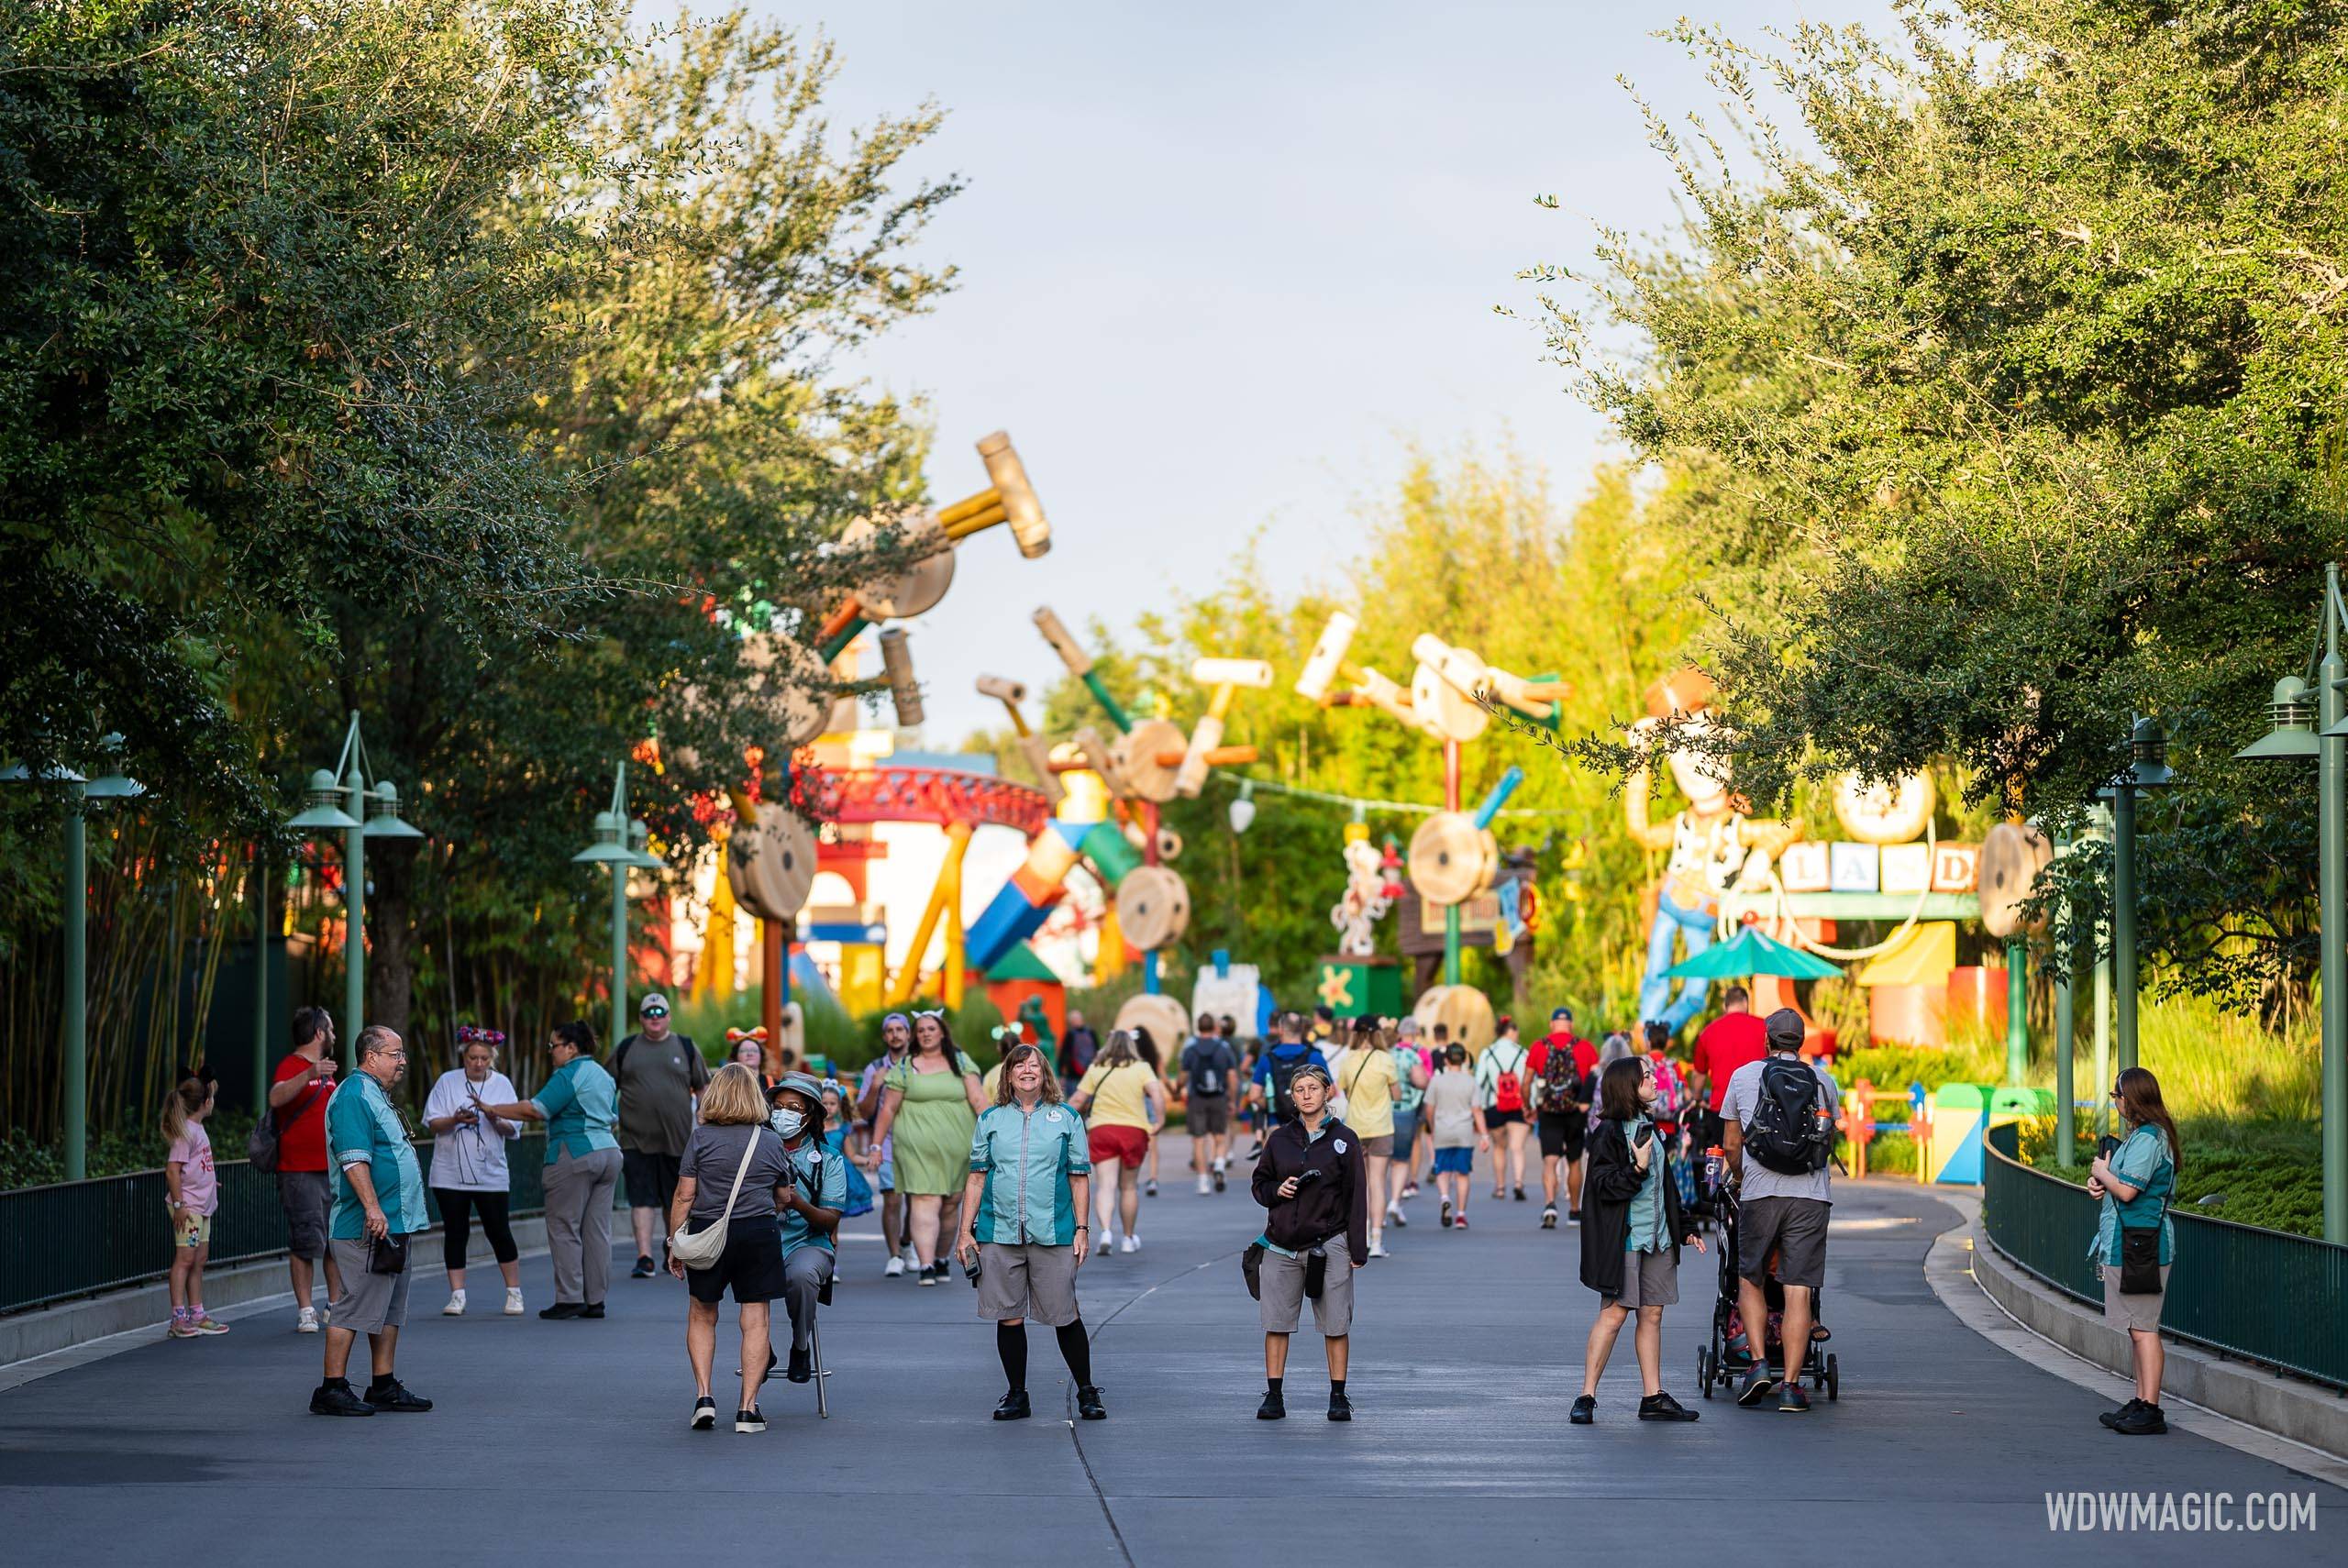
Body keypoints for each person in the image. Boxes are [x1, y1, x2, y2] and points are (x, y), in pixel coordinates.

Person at [957, 1042, 1104, 1421]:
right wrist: (964, 1232)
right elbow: (976, 1178)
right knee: (1009, 1316)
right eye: (1019, 1066)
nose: (1026, 1071)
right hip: (998, 1232)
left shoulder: (1067, 1118)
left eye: (1034, 1066)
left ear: (1044, 1074)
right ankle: (1017, 1394)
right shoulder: (990, 1120)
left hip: (1053, 1231)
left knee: (1064, 1314)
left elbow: (1079, 1178)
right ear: (1008, 1074)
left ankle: (1087, 1391)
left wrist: (1083, 1228)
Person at [1571, 1055, 1705, 1423]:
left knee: (1652, 1313)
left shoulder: (1651, 1127)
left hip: (1659, 1238)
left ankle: (1652, 1396)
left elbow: (1666, 1186)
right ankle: (1586, 1396)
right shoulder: (1609, 1134)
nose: (1655, 1081)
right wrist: (1636, 1168)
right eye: (1647, 1077)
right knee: (1614, 1315)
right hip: (1625, 1239)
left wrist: (1687, 1226)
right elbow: (1604, 1188)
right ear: (1628, 1087)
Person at [1721, 1007, 1839, 1413]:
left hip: (1760, 1193)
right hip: (1810, 1195)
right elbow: (1828, 1138)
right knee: (1798, 1288)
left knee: (1750, 1278)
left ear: (1767, 1041)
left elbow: (1732, 1145)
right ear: (1800, 1043)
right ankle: (1791, 1386)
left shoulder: (1742, 1076)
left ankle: (1757, 1366)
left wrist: (1739, 1178)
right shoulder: (1824, 1081)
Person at [309, 1026, 431, 1417]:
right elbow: (353, 1157)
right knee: (354, 1304)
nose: (403, 1062)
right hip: (366, 1224)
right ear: (371, 1056)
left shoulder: (376, 1095)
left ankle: (383, 1383)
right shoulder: (353, 1094)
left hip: (395, 1223)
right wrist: (373, 1207)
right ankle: (331, 1387)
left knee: (390, 1306)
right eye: (396, 1054)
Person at [666, 1063, 791, 1433]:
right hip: (757, 1232)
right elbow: (783, 1195)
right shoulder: (770, 1141)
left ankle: (704, 1397)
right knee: (756, 1321)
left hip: (708, 1233)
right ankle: (747, 1410)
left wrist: (675, 1242)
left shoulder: (700, 1139)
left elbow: (684, 1194)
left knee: (702, 1315)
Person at [476, 1019, 622, 1320]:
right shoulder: (603, 1075)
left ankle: (569, 1298)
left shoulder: (568, 1073)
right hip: (609, 1152)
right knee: (597, 1230)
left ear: (570, 1048)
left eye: (553, 1045)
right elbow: (613, 1116)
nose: (551, 1051)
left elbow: (535, 1110)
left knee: (564, 1226)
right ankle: (596, 1300)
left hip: (575, 1152)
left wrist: (492, 1108)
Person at [1249, 1062, 1368, 1421]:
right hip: (1281, 1244)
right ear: (1293, 1097)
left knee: (1335, 1324)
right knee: (1276, 1322)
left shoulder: (1344, 1139)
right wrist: (1276, 1190)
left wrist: (1357, 1247)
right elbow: (1259, 1184)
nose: (1306, 1095)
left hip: (1329, 1241)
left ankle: (1337, 1395)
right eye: (1300, 1090)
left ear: (1327, 1092)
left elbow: (1357, 1195)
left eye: (1313, 1088)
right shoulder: (1280, 1138)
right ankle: (1273, 1395)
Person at [2088, 1066, 2180, 1436]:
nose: (2116, 1103)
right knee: (2135, 1327)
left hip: (2143, 1244)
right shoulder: (2141, 1137)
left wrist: (2102, 1172)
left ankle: (2151, 1408)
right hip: (2130, 1241)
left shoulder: (2149, 1139)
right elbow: (2118, 1185)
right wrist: (2100, 1184)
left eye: (2117, 1096)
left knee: (2144, 1327)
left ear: (2132, 1099)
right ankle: (2142, 1400)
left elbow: (2127, 1190)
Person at [865, 1010, 986, 1284]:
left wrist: (997, 1133)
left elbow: (979, 1100)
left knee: (951, 1204)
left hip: (958, 1150)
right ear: (915, 1036)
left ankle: (942, 1257)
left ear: (942, 1032)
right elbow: (888, 1109)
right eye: (921, 1030)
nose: (926, 1033)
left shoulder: (960, 1062)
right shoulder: (906, 1066)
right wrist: (875, 1145)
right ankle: (927, 1264)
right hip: (914, 1149)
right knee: (923, 1199)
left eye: (931, 1028)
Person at [423, 1026, 524, 1317]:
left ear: (492, 1058)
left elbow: (513, 1129)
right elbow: (432, 1123)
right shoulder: (447, 1082)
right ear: (464, 1057)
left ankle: (514, 1292)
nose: (478, 1063)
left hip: (490, 1173)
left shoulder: (502, 1084)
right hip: (449, 1172)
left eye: (483, 1058)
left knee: (498, 1230)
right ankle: (457, 1294)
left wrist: (494, 1116)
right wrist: (455, 1119)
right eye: (472, 1058)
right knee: (455, 1231)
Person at [612, 992, 706, 1279]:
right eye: (648, 1013)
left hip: (677, 1141)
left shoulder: (686, 1047)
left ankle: (671, 1252)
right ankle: (644, 1257)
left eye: (660, 1013)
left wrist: (705, 1119)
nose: (654, 1018)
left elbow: (703, 1087)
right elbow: (606, 1085)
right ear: (641, 1018)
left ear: (668, 1016)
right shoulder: (627, 1048)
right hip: (635, 1139)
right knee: (641, 1199)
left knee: (673, 1199)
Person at [763, 1071, 847, 1386]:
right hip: (761, 1241)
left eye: (794, 1108)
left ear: (810, 1114)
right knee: (734, 1266)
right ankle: (760, 1345)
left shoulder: (828, 1159)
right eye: (779, 1106)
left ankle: (800, 1346)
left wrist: (797, 1203)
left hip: (807, 1243)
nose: (783, 1113)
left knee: (801, 1275)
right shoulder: (755, 1150)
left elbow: (830, 1219)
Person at [269, 1006, 344, 1332]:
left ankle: (335, 1304)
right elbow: (276, 1097)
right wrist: (310, 1073)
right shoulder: (292, 1065)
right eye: (330, 1030)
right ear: (318, 1034)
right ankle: (305, 1310)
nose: (334, 1036)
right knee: (304, 1242)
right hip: (300, 1171)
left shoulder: (327, 1073)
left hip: (332, 1169)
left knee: (335, 1241)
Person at [1069, 1030, 1163, 1253]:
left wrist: (1058, 1119)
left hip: (1102, 1130)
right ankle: (1129, 1239)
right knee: (1128, 1187)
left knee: (1106, 1186)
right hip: (1133, 1130)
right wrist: (1159, 1121)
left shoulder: (1096, 1068)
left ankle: (1106, 1233)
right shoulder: (1141, 1068)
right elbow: (1156, 1094)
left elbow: (1079, 1099)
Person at [162, 1070, 227, 1338]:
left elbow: (193, 1167)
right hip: (189, 1209)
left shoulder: (197, 1129)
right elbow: (172, 1170)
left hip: (203, 1207)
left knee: (199, 1258)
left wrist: (209, 1183)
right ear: (205, 1102)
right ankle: (179, 1317)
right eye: (211, 1097)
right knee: (185, 1259)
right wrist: (179, 1205)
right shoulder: (185, 1133)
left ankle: (197, 1313)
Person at [1328, 1019, 1400, 1257]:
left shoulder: (1349, 1060)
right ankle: (1378, 1240)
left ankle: (1365, 1234)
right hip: (1381, 1126)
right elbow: (1396, 1094)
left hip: (1356, 1127)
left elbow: (1345, 1092)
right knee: (1378, 1182)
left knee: (1361, 1184)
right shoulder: (1386, 1059)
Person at [856, 1011, 917, 1276]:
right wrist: (875, 1087)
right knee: (892, 1200)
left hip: (919, 1143)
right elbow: (864, 1112)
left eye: (900, 1029)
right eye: (890, 1030)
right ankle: (894, 1256)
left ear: (908, 1034)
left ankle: (907, 1243)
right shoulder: (875, 1068)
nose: (895, 1034)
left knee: (917, 1201)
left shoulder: (921, 1065)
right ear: (885, 1036)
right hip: (888, 1143)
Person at [1528, 1007, 1597, 1229]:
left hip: (1548, 1111)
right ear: (1571, 1024)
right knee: (1574, 1161)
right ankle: (1575, 1211)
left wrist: (1527, 1106)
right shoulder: (1585, 1047)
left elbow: (1526, 1081)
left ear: (1551, 1024)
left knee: (1550, 1160)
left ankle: (1550, 1204)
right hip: (1576, 1111)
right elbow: (1596, 1077)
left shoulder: (1539, 1046)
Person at [1689, 984, 1767, 1150]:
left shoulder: (1708, 1032)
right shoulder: (1765, 1027)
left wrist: (1698, 1099)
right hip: (1759, 1106)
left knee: (1723, 1157)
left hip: (1721, 1107)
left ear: (1726, 1006)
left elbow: (1699, 1075)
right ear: (1746, 1003)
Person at [1423, 1041, 1488, 1229]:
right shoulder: (1470, 1081)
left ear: (1446, 1060)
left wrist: (1432, 1126)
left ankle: (1445, 1197)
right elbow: (1477, 1110)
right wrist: (1484, 1135)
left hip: (1442, 1129)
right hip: (1464, 1132)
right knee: (1462, 1173)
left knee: (1442, 1170)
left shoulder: (1437, 1080)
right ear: (1464, 1059)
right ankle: (1461, 1215)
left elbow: (1429, 1107)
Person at [1180, 1013, 1239, 1193]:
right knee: (1219, 1137)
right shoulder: (1223, 1048)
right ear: (1214, 1027)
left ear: (1198, 1027)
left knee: (1199, 1140)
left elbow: (1183, 1075)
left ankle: (1203, 1180)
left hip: (1197, 1098)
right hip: (1219, 1097)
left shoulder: (1191, 1048)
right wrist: (1232, 1099)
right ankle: (1219, 1165)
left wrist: (1177, 1087)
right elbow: (1232, 1076)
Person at [1476, 1016, 1533, 1202]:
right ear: (1511, 1031)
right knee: (1517, 1148)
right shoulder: (1523, 1053)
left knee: (1499, 1148)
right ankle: (1518, 1183)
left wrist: (1480, 1108)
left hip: (1494, 1105)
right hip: (1519, 1105)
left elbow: (1480, 1082)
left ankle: (1500, 1187)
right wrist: (1530, 1105)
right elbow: (1528, 1082)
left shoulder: (1487, 1053)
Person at [1250, 1011, 1328, 1132]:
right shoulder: (1314, 1056)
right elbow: (1331, 1091)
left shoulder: (1267, 1058)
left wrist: (1273, 1107)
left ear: (1281, 1030)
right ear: (1301, 1029)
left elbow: (1254, 1095)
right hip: (1308, 1126)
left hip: (1276, 1124)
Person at [1384, 1021, 1430, 1225]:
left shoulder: (1382, 1055)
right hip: (1404, 1110)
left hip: (1381, 1112)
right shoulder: (1412, 1055)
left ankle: (1376, 1210)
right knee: (1401, 1160)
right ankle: (1395, 1201)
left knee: (1379, 1161)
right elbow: (1422, 1081)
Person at [1392, 1017, 1433, 1202]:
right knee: (1416, 1140)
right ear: (1416, 1032)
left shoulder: (1390, 1051)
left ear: (1399, 1032)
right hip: (1415, 1103)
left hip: (1391, 1103)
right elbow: (1427, 1078)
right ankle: (1413, 1180)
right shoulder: (1422, 1052)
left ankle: (1395, 1182)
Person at [1132, 1025, 1167, 1198]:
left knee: (1135, 1142)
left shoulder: (1130, 1059)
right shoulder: (1154, 1056)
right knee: (1153, 1143)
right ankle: (1153, 1178)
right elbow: (1163, 1077)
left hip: (1134, 1100)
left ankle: (1134, 1178)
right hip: (1150, 1098)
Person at [1059, 1009, 1100, 1096]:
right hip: (1073, 1073)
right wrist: (1062, 1073)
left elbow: (1097, 1050)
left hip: (1088, 1071)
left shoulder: (1091, 1032)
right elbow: (1064, 1054)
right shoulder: (1070, 1034)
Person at [728, 1029, 774, 1094]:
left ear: (761, 1056)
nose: (750, 1054)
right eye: (744, 1050)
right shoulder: (728, 1084)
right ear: (735, 1057)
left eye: (754, 1050)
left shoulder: (774, 1084)